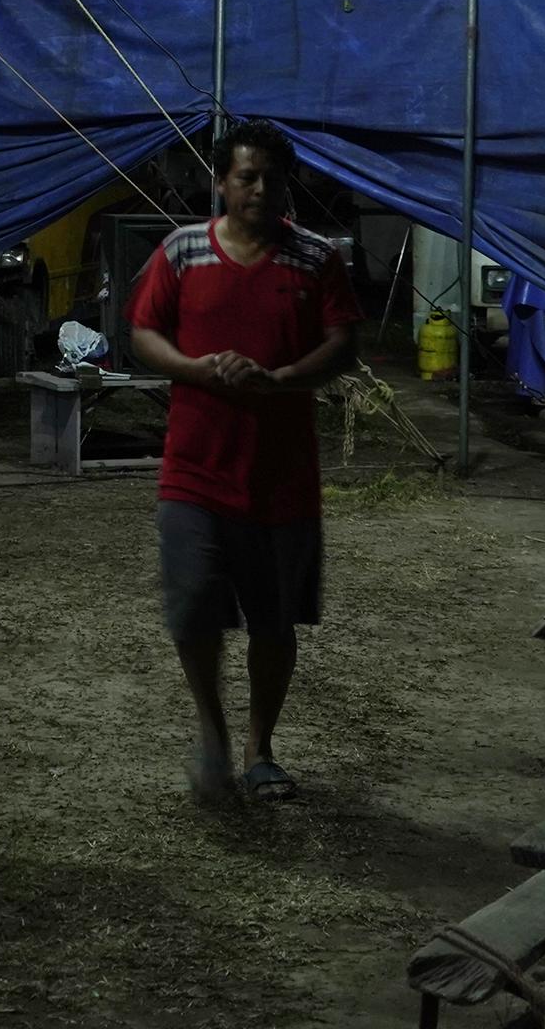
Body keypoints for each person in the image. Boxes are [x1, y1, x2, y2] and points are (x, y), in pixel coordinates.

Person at [126, 120, 359, 807]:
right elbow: (143, 333)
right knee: (194, 604)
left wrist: (279, 379)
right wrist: (196, 370)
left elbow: (343, 343)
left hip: (281, 476)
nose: (259, 189)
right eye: (245, 176)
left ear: (288, 185)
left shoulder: (316, 259)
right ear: (221, 181)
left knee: (272, 619)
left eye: (271, 178)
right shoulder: (183, 252)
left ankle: (260, 747)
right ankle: (212, 732)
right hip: (193, 469)